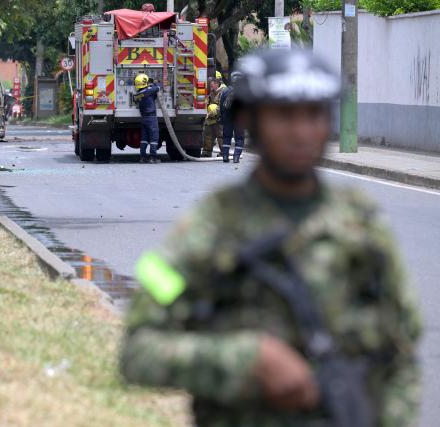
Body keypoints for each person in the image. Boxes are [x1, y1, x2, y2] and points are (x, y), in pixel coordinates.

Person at [120, 49, 422, 427]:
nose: (300, 132)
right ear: (250, 120)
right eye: (283, 115)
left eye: (313, 115)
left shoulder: (363, 226)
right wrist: (245, 360)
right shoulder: (206, 228)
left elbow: (402, 352)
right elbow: (139, 349)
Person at [134, 73, 160, 164]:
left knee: (144, 138)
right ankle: (153, 157)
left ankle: (142, 157)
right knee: (154, 137)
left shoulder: (137, 95)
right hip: (151, 118)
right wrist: (155, 83)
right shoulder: (148, 91)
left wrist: (148, 86)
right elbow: (158, 88)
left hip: (144, 118)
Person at [220, 71, 246, 163]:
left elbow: (222, 107)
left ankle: (225, 156)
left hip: (227, 118)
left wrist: (223, 119)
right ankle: (236, 157)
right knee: (239, 138)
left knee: (226, 137)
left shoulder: (225, 91)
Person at [201, 78, 226, 157]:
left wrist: (214, 112)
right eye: (211, 85)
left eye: (212, 85)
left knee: (220, 136)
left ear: (217, 84)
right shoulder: (212, 93)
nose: (211, 87)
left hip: (219, 118)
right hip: (211, 118)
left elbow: (222, 105)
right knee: (208, 135)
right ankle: (207, 152)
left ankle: (224, 152)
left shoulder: (222, 92)